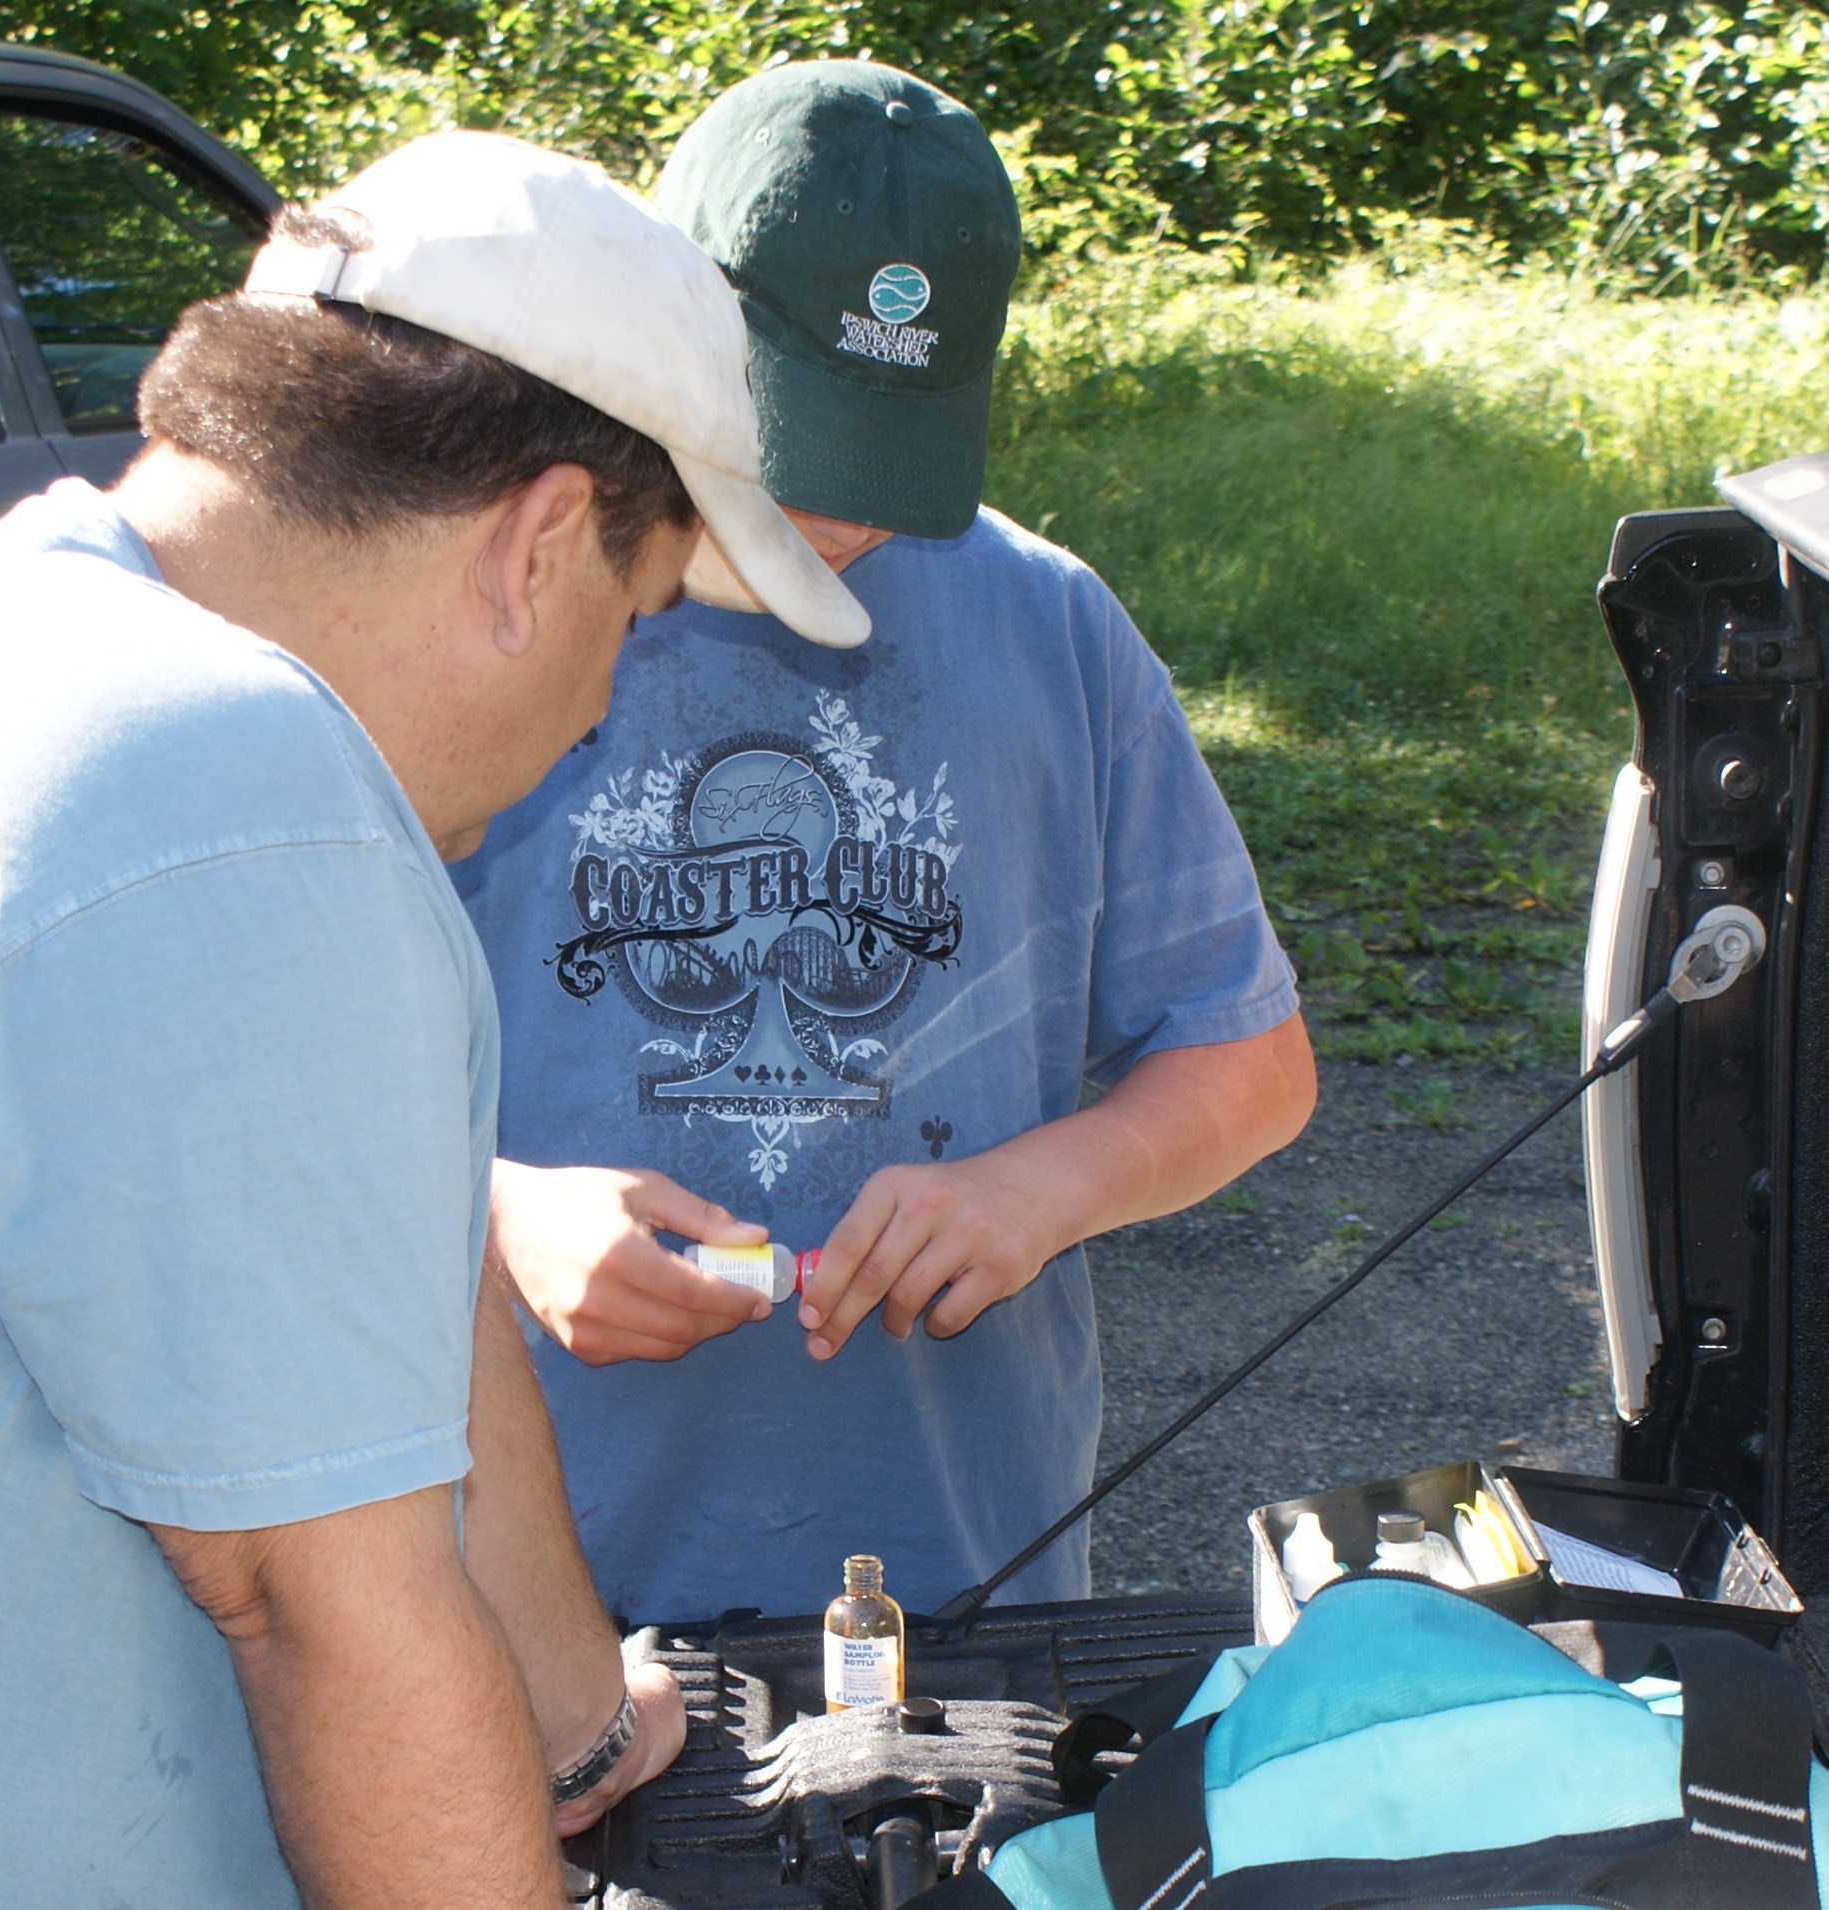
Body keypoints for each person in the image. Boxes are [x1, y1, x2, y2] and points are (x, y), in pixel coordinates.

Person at [0, 133, 865, 1910]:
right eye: (629, 625)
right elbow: (319, 1601)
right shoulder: (225, 796)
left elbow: (362, 1276)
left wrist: (573, 1722)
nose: (595, 718)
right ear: (538, 540)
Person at [453, 64, 1318, 1628]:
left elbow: (1247, 1063)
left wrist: (1042, 1184)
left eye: (892, 455)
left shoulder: (1049, 623)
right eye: (794, 445)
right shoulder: (482, 606)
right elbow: (260, 1097)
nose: (845, 521)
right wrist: (494, 1209)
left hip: (956, 1572)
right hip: (526, 1582)